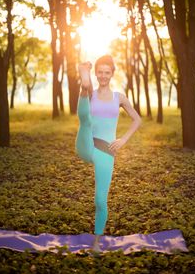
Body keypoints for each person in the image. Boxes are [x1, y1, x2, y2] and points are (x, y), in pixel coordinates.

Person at [75, 55, 142, 252]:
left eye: (107, 72)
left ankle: (96, 242)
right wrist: (86, 87)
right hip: (86, 144)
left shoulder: (118, 98)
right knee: (86, 120)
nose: (103, 76)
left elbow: (137, 120)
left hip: (106, 151)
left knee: (100, 200)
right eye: (100, 72)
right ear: (95, 73)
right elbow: (85, 116)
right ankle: (83, 82)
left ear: (112, 74)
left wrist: (123, 140)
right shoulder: (92, 94)